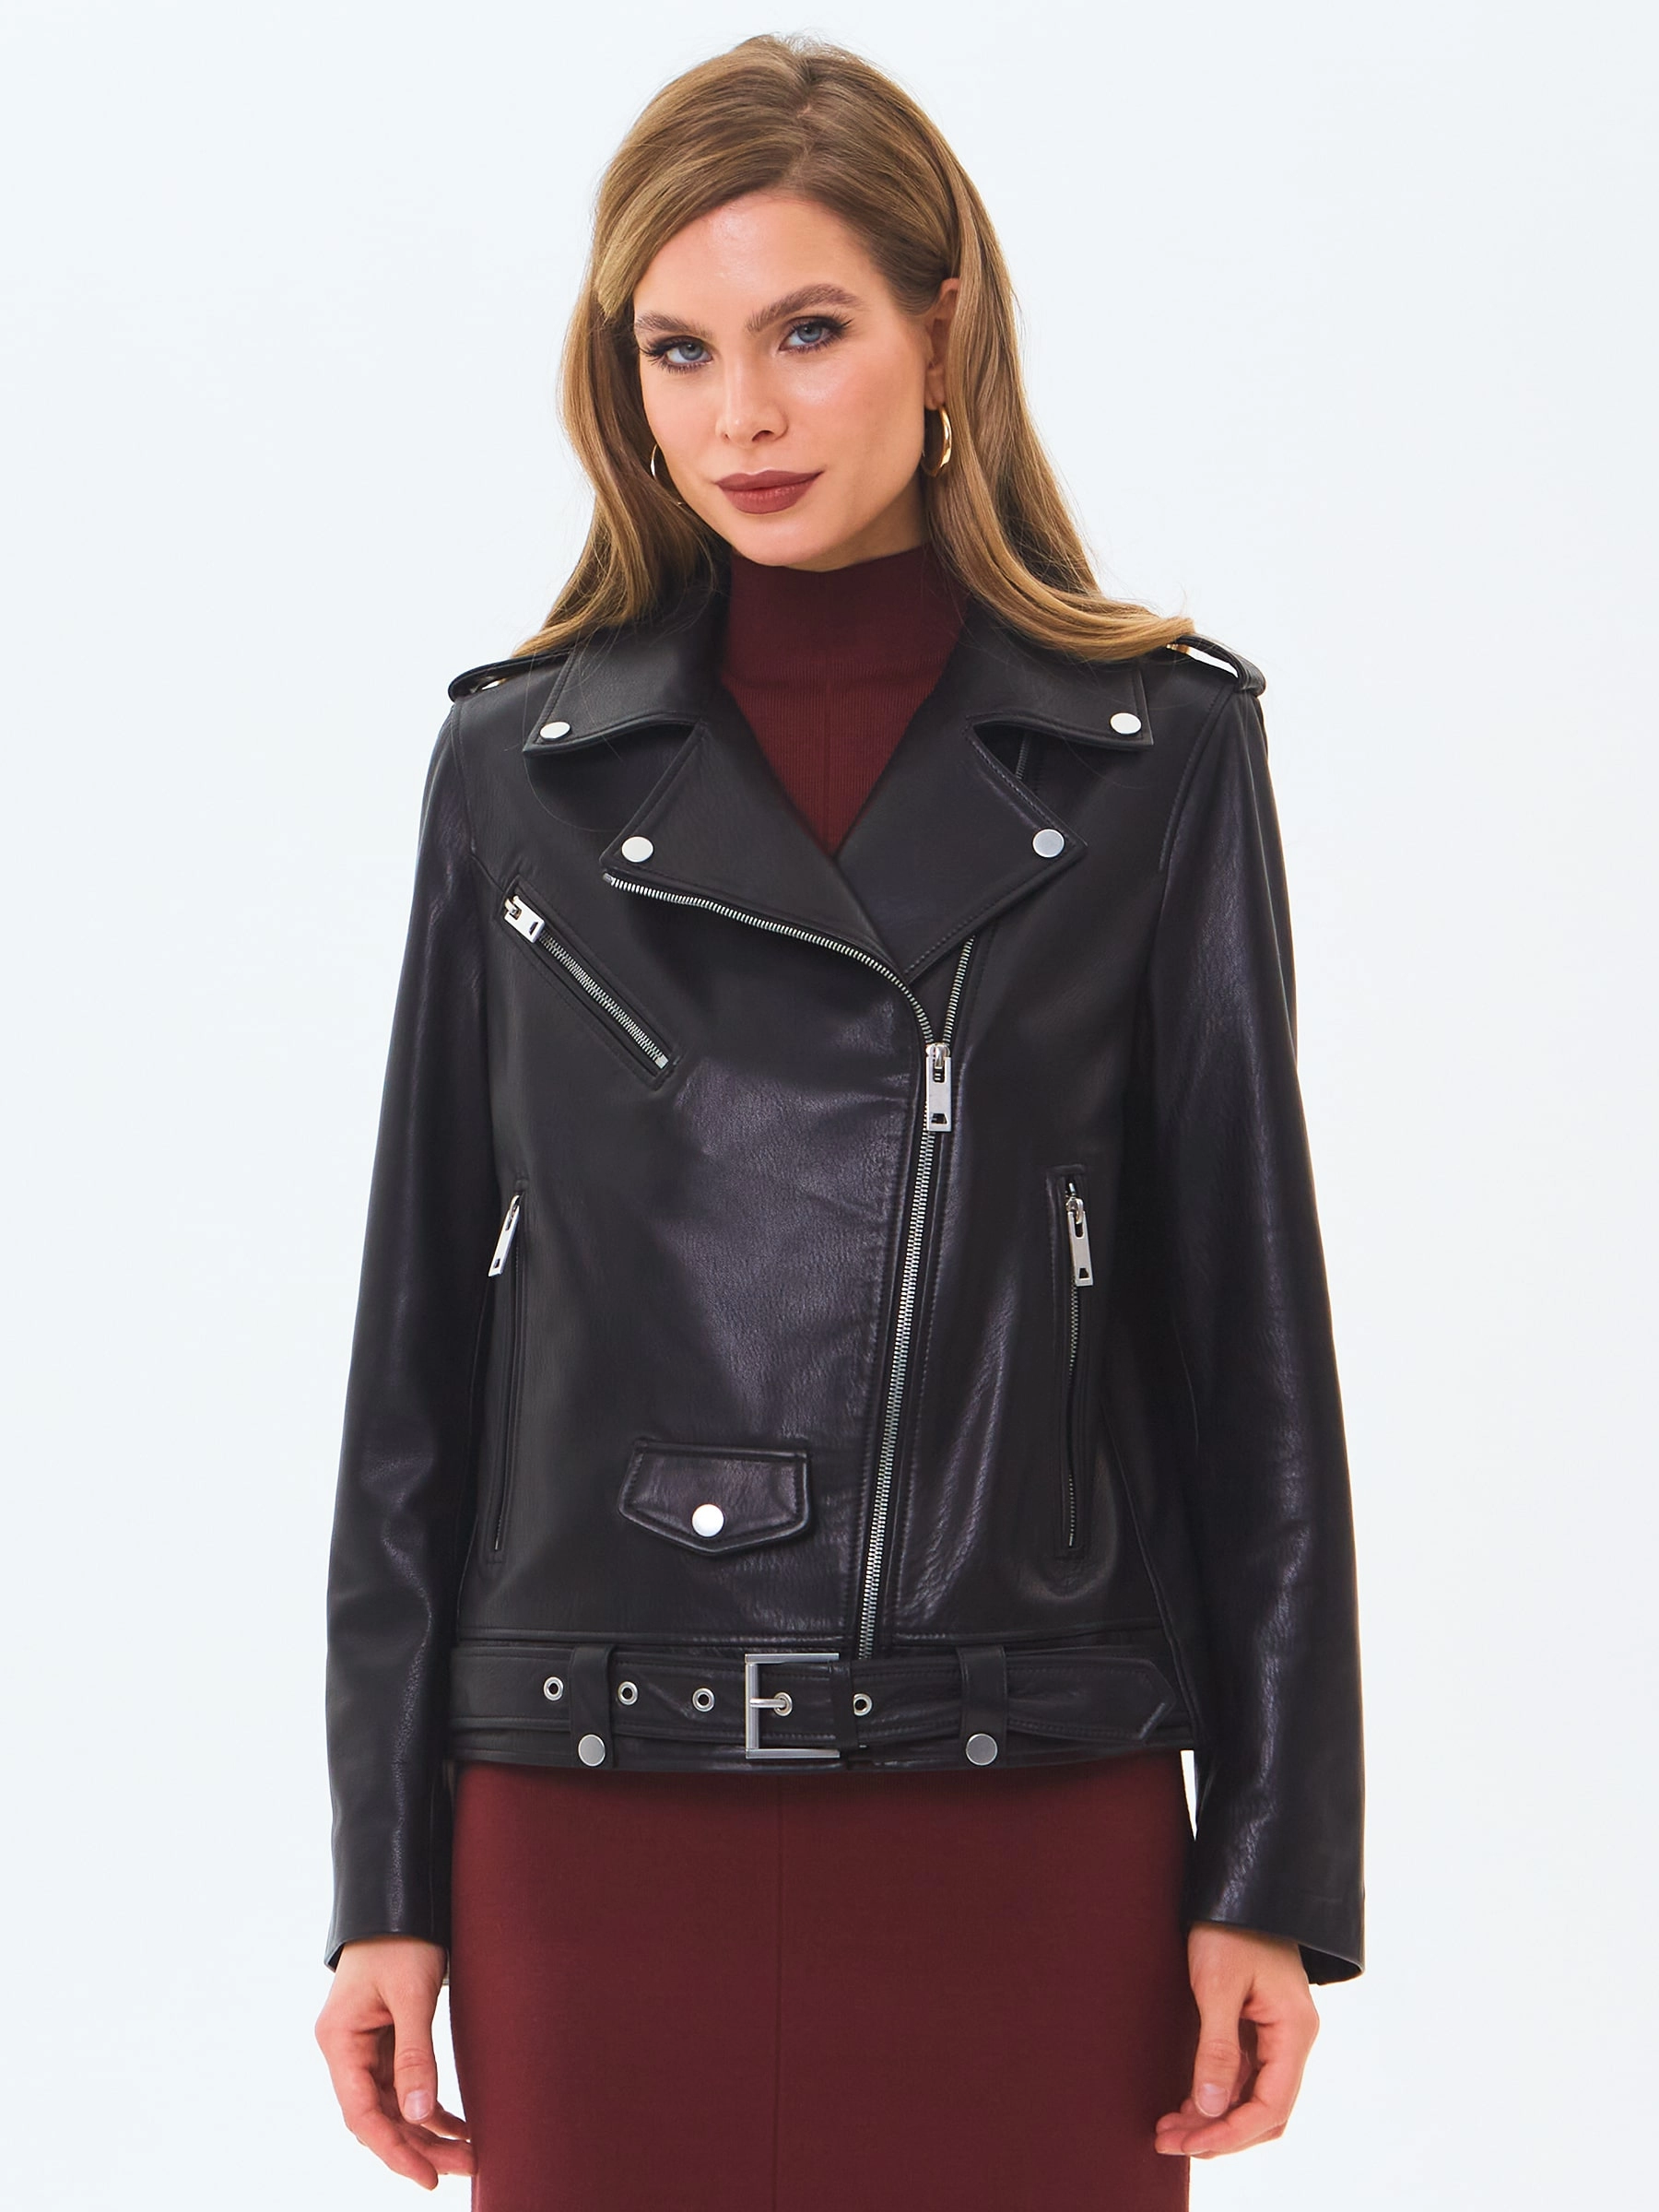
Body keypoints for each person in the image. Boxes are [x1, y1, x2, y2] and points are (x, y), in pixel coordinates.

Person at [313, 31, 1364, 2211]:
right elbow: (419, 1358)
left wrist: (1274, 1861)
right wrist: (382, 1882)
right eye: (679, 350)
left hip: (1025, 1787)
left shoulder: (1152, 753)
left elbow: (1246, 1339)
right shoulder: (519, 771)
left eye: (808, 331)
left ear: (942, 329)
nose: (743, 419)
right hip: (591, 1794)